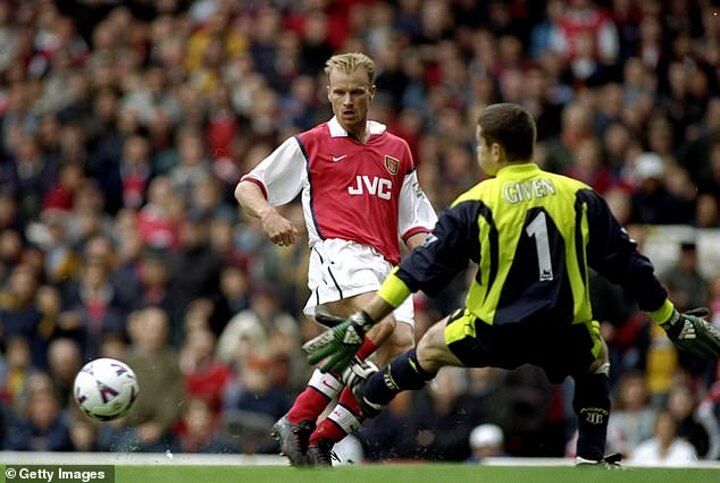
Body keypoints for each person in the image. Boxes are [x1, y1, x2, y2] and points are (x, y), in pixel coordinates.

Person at [304, 102, 720, 467]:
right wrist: (671, 320)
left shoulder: (476, 201)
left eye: (479, 144)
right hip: (564, 332)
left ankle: (338, 424)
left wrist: (364, 320)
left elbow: (418, 271)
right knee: (597, 360)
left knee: (428, 348)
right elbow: (631, 266)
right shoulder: (578, 195)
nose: (477, 151)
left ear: (496, 150)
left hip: (493, 331)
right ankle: (591, 460)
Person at [234, 52, 437, 466]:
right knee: (379, 323)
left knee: (401, 350)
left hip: (387, 266)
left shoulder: (397, 150)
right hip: (338, 253)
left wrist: (442, 254)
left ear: (372, 93)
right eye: (340, 93)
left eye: (357, 92)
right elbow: (248, 186)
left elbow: (414, 222)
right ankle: (298, 417)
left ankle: (322, 438)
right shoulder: (311, 144)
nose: (348, 101)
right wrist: (269, 214)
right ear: (328, 93)